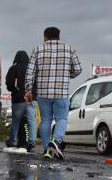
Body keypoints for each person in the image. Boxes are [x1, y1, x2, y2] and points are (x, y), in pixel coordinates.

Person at [25, 27, 81, 159]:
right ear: (58, 36)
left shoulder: (37, 50)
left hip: (43, 93)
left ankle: (47, 150)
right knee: (61, 118)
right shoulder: (69, 49)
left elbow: (30, 72)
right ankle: (56, 141)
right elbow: (78, 69)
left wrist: (28, 90)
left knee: (45, 120)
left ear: (45, 37)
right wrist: (68, 75)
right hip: (62, 92)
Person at [5, 50, 37, 152]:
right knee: (31, 120)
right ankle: (31, 141)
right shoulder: (32, 69)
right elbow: (37, 83)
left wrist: (14, 90)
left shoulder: (14, 68)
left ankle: (12, 141)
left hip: (18, 99)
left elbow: (9, 83)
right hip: (31, 98)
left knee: (16, 121)